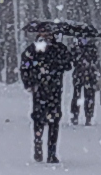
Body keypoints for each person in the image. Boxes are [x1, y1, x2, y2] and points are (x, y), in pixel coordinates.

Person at [19, 19, 70, 164]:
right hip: (39, 88)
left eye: (49, 32)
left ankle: (52, 152)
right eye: (44, 31)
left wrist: (57, 65)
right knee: (38, 118)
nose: (46, 34)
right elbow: (25, 65)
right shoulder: (33, 49)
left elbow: (67, 65)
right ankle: (38, 144)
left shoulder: (59, 48)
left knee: (54, 119)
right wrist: (29, 82)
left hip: (54, 89)